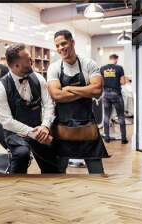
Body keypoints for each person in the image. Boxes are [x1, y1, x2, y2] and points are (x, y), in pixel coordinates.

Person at [47, 30, 109, 174]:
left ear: (72, 42)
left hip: (87, 125)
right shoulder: (54, 67)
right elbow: (56, 95)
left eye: (63, 43)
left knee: (97, 171)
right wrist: (85, 91)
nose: (61, 48)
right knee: (58, 171)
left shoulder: (89, 64)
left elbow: (97, 90)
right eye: (57, 46)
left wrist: (68, 88)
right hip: (62, 127)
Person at [0, 43, 60, 174]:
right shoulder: (0, 88)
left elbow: (49, 104)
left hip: (39, 129)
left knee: (52, 162)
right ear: (17, 65)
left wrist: (45, 126)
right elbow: (7, 121)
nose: (32, 61)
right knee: (22, 155)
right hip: (14, 133)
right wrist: (35, 134)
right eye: (29, 60)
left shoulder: (38, 78)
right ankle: (17, 190)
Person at [100, 54, 128, 144]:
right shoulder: (119, 68)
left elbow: (101, 82)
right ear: (116, 59)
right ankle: (123, 139)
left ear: (109, 58)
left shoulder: (102, 68)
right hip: (116, 94)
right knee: (120, 116)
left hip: (106, 94)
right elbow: (123, 82)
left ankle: (107, 137)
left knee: (106, 116)